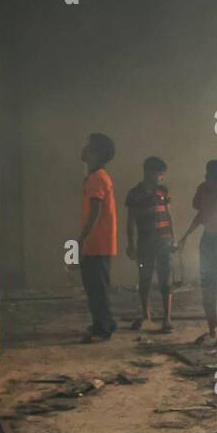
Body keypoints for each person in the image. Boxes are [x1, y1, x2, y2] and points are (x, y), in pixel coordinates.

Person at [176, 159, 217, 348]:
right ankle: (212, 329)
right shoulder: (203, 190)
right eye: (214, 181)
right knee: (208, 289)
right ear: (207, 178)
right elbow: (201, 215)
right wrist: (186, 235)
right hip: (209, 242)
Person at [124, 156, 175, 332]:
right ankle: (146, 316)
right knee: (144, 279)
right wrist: (131, 245)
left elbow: (169, 216)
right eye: (159, 174)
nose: (161, 178)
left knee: (166, 280)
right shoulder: (134, 194)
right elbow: (130, 222)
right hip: (145, 242)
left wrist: (173, 239)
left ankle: (167, 319)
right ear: (149, 172)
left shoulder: (163, 191)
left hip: (164, 242)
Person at [78, 133, 118, 342]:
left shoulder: (97, 178)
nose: (84, 149)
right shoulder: (96, 177)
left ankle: (103, 328)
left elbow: (95, 212)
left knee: (97, 288)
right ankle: (103, 323)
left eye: (88, 146)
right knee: (95, 287)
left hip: (98, 243)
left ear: (97, 153)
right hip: (98, 243)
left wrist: (81, 239)